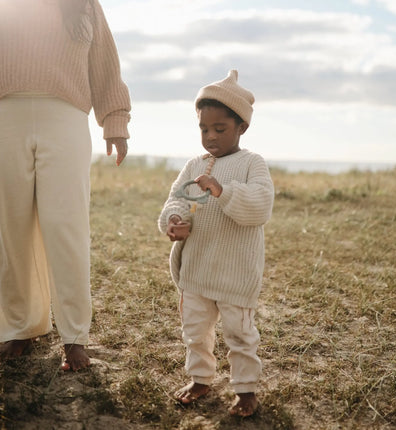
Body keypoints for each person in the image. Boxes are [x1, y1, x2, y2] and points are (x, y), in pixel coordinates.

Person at [0, 0, 131, 371]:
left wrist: (115, 122)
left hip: (67, 117)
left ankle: (74, 337)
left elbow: (105, 65)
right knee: (11, 228)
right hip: (4, 116)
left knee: (67, 226)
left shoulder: (85, 4)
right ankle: (20, 327)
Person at [158, 70, 274, 417]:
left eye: (219, 129)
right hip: (197, 268)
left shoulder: (252, 164)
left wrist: (222, 190)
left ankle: (245, 388)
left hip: (235, 273)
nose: (210, 137)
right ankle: (201, 378)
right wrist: (175, 222)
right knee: (194, 329)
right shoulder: (195, 165)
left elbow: (260, 207)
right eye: (203, 129)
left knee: (240, 334)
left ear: (242, 127)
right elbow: (175, 202)